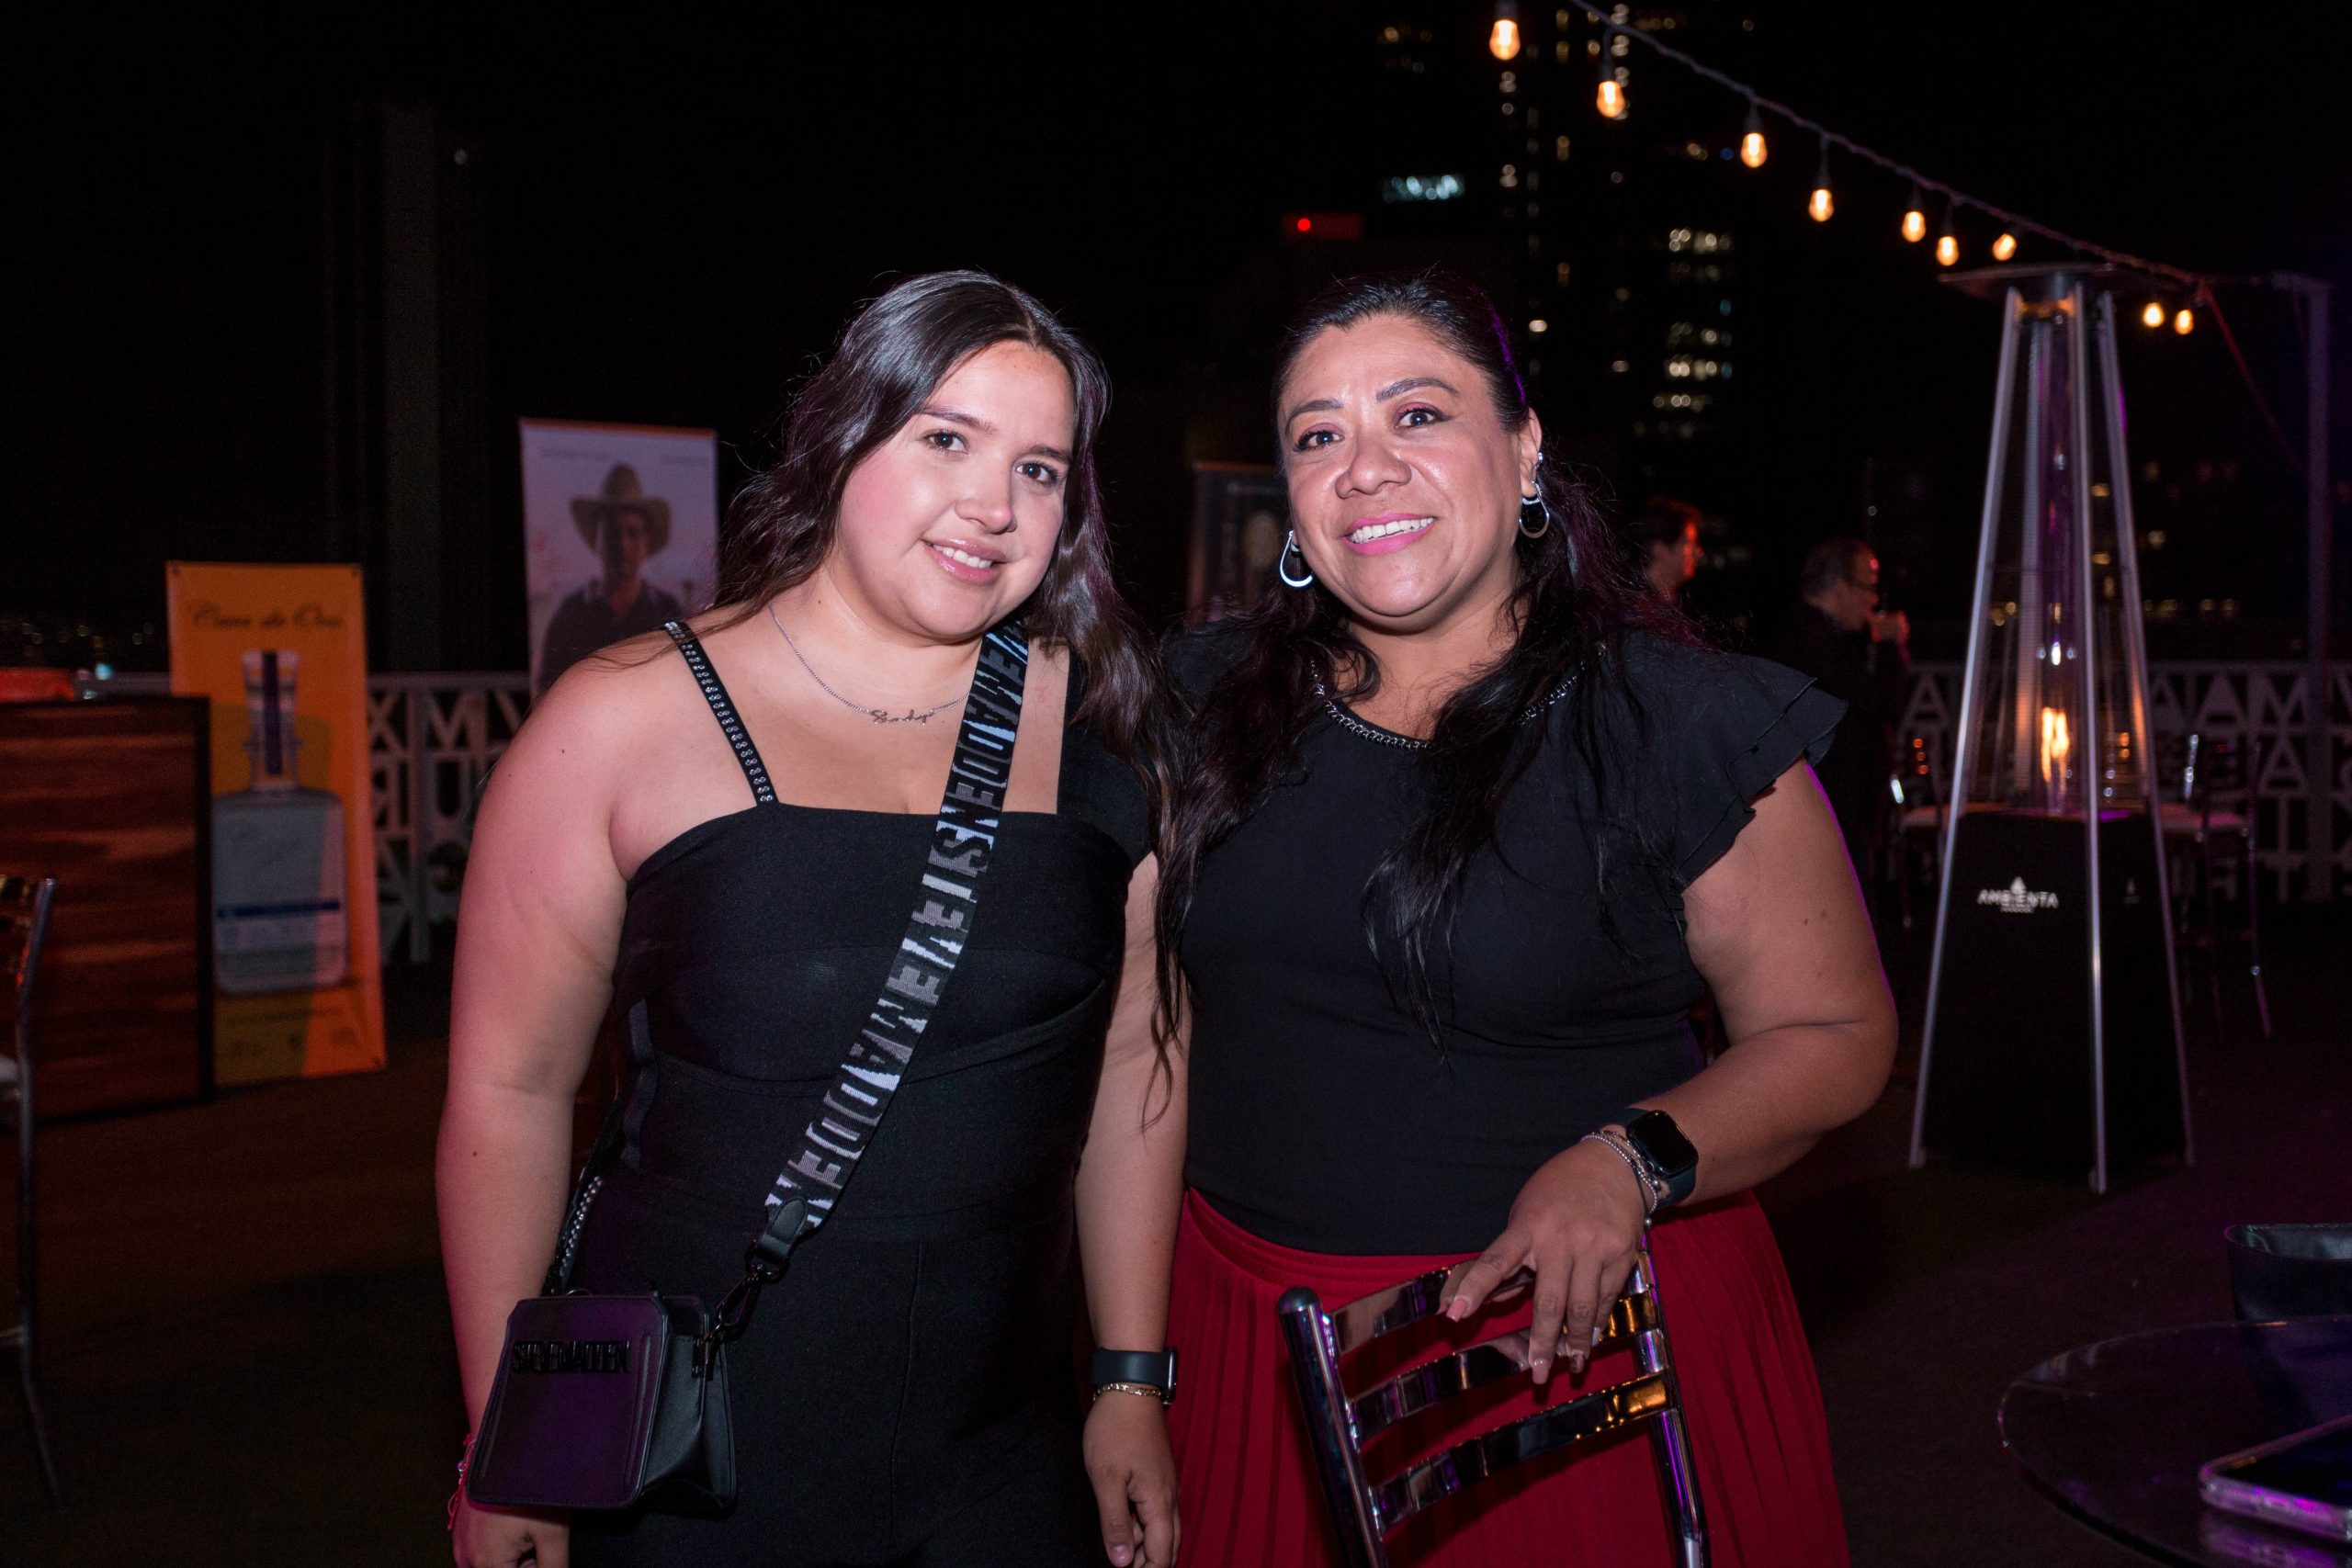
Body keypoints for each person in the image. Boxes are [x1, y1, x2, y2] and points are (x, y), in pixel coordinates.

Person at [441, 272, 1182, 1568]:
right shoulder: (622, 719)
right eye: (946, 439)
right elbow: (511, 1090)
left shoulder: (1108, 733)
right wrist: (513, 1441)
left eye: (1040, 470)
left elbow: (1134, 1066)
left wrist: (1128, 1376)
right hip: (692, 1449)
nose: (994, 505)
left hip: (1000, 1455)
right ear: (843, 436)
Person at [1153, 272, 1894, 1566]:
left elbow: (1835, 1032)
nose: (1364, 467)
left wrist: (1626, 1159)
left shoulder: (1675, 720)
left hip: (1560, 1359)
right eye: (1319, 435)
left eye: (1417, 414)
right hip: (1242, 1345)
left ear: (1525, 444)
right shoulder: (1198, 703)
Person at [1769, 537, 1912, 911]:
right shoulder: (1818, 644)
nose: (1873, 600)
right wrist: (1890, 646)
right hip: (1831, 810)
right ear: (1837, 587)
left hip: (1827, 806)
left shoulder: (1809, 634)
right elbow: (1879, 702)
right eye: (1867, 587)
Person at [536, 465, 688, 696]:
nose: (622, 543)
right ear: (597, 540)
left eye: (632, 533)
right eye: (612, 533)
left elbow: (683, 685)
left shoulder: (667, 611)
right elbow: (547, 691)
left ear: (646, 541)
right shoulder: (571, 613)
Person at [1638, 495, 1703, 606]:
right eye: (1689, 544)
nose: (1699, 553)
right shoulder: (1632, 607)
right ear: (1660, 549)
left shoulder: (1672, 603)